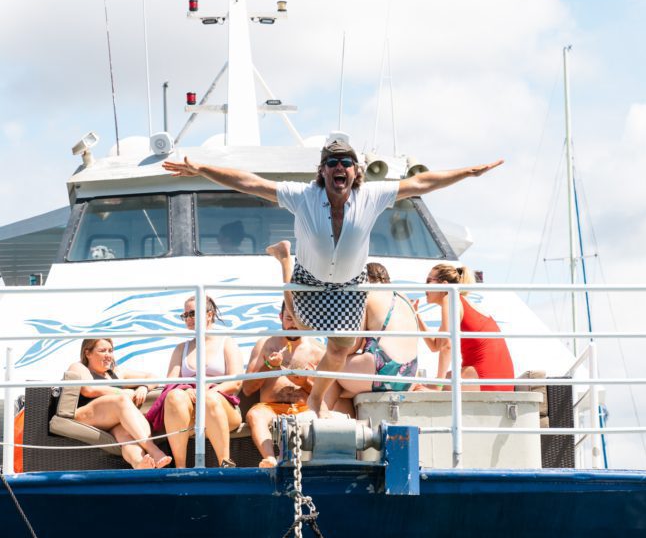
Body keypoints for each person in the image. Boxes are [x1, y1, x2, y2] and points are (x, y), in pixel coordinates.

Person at [163, 133, 503, 415]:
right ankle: (287, 273)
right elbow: (249, 182)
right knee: (305, 332)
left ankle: (315, 397)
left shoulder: (371, 196)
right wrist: (201, 168)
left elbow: (421, 182)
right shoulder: (302, 196)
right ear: (322, 172)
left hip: (349, 286)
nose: (339, 167)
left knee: (340, 348)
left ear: (355, 172)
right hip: (310, 283)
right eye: (332, 163)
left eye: (346, 163)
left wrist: (468, 172)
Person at [268, 248, 419, 408]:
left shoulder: (365, 294)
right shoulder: (402, 296)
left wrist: (323, 364)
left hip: (383, 369)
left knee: (331, 369)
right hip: (409, 375)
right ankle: (339, 417)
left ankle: (318, 411)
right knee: (343, 384)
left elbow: (348, 346)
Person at [146, 296, 243, 467]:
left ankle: (225, 463)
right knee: (175, 396)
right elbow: (170, 383)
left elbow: (236, 382)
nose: (188, 319)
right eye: (185, 315)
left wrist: (205, 392)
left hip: (222, 407)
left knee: (209, 399)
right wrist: (185, 390)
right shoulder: (181, 348)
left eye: (192, 313)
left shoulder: (226, 343)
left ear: (209, 315)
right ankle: (180, 467)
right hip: (190, 412)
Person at [67, 338, 172, 469]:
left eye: (110, 351)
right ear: (87, 353)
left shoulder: (117, 373)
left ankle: (140, 463)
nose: (108, 355)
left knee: (126, 434)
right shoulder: (79, 367)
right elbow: (88, 390)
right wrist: (120, 392)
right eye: (102, 351)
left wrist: (144, 386)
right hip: (85, 416)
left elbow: (153, 377)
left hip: (111, 420)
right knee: (121, 400)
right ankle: (154, 451)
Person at [243, 302, 324, 467]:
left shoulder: (317, 350)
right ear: (280, 317)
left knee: (321, 417)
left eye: (298, 319)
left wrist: (305, 383)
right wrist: (269, 366)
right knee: (254, 415)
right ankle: (270, 459)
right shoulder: (265, 344)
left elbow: (324, 395)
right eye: (289, 318)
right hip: (269, 408)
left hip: (304, 408)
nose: (293, 324)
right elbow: (247, 389)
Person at [419, 263, 515, 391]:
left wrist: (438, 387)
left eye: (428, 281)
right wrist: (417, 317)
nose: (424, 287)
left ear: (444, 285)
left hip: (486, 376)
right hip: (499, 378)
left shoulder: (450, 298)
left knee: (428, 388)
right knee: (428, 386)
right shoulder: (458, 301)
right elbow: (436, 345)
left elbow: (447, 346)